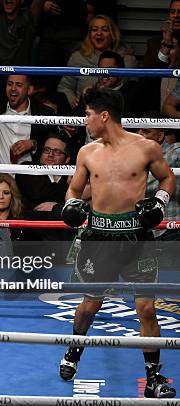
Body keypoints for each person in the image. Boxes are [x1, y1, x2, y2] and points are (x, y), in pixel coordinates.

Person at [59, 88, 176, 398]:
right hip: (100, 237)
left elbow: (167, 178)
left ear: (104, 116)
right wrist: (70, 204)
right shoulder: (87, 153)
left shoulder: (146, 148)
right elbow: (73, 190)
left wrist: (160, 202)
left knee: (147, 309)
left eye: (88, 114)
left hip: (137, 237)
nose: (85, 121)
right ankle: (74, 349)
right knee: (90, 306)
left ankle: (153, 378)